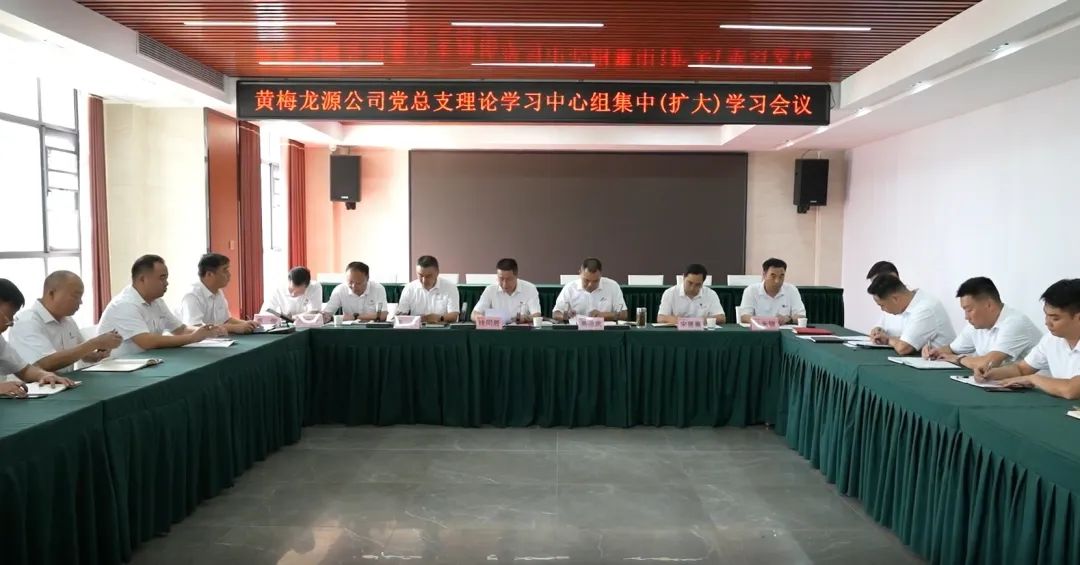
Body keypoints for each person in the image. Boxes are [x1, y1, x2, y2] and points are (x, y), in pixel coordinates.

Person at [98, 255, 219, 357]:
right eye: (162, 278)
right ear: (142, 279)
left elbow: (180, 329)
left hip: (148, 361)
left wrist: (205, 331)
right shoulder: (125, 304)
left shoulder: (157, 301)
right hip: (118, 368)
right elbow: (147, 341)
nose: (166, 283)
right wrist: (192, 338)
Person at [978, 279, 1080, 399]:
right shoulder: (1051, 339)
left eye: (1055, 318)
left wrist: (1032, 379)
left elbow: (1071, 390)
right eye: (1046, 315)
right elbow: (1022, 369)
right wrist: (991, 373)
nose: (1047, 323)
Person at [8, 271, 122, 373]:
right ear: (51, 293)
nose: (80, 302)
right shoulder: (26, 322)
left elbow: (83, 354)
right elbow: (46, 364)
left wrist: (98, 354)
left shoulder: (68, 320)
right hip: (36, 387)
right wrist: (94, 343)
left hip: (66, 382)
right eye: (76, 296)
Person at [923, 277, 1042, 370]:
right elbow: (951, 349)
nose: (966, 317)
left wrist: (959, 359)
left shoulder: (1014, 323)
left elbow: (989, 364)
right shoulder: (976, 325)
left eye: (969, 310)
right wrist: (935, 352)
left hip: (1038, 389)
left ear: (989, 305)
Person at [0, 278, 77, 398]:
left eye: (12, 316)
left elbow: (24, 369)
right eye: (7, 315)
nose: (10, 322)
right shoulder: (28, 321)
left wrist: (44, 375)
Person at [866, 274, 955, 355]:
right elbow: (905, 339)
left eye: (882, 305)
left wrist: (887, 339)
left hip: (943, 363)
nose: (882, 310)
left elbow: (903, 348)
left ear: (895, 299)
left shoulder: (925, 308)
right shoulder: (911, 303)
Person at [177, 253, 258, 334]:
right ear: (209, 274)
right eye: (225, 270)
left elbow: (226, 320)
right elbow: (195, 328)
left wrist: (247, 323)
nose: (229, 274)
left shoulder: (218, 291)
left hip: (213, 339)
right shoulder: (192, 295)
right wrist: (234, 328)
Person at [553, 257, 627, 323]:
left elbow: (624, 314)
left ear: (601, 275)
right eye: (586, 280)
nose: (590, 285)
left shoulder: (612, 286)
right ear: (580, 273)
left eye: (595, 281)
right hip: (576, 330)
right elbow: (555, 313)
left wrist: (603, 315)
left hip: (605, 330)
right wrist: (565, 316)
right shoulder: (570, 287)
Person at [471, 258, 541, 323]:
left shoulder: (530, 288)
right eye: (501, 279)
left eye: (509, 279)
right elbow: (474, 314)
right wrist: (485, 320)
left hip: (521, 329)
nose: (504, 284)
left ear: (516, 276)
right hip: (496, 330)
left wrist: (525, 318)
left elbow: (536, 315)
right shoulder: (490, 289)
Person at [738, 258, 806, 324]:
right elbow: (744, 317)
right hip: (759, 329)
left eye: (781, 276)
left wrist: (788, 319)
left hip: (783, 329)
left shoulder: (791, 290)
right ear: (764, 275)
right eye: (773, 276)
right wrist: (767, 321)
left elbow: (802, 316)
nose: (777, 281)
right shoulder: (751, 290)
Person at [396, 255, 460, 323]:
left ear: (437, 272)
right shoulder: (409, 288)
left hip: (441, 327)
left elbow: (454, 316)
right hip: (416, 327)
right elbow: (401, 314)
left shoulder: (450, 287)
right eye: (420, 275)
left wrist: (439, 318)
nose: (424, 280)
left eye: (428, 276)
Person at [657, 264, 725, 324]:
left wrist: (696, 321)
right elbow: (661, 318)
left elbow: (721, 318)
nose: (692, 288)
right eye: (690, 283)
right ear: (683, 277)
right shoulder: (670, 293)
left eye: (697, 285)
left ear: (702, 283)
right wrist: (683, 322)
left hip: (703, 332)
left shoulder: (711, 294)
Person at [321, 262, 388, 322]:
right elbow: (327, 313)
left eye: (358, 283)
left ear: (367, 278)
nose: (354, 286)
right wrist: (324, 316)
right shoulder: (340, 290)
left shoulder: (378, 289)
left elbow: (383, 315)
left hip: (372, 329)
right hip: (348, 330)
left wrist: (355, 316)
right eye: (350, 282)